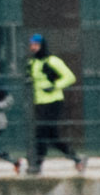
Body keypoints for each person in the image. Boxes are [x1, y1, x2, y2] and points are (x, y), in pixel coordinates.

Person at [19, 33, 74, 170]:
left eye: (37, 45)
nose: (34, 48)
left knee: (40, 132)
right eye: (32, 45)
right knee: (51, 135)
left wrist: (55, 86)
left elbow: (70, 77)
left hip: (53, 101)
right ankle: (75, 157)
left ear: (42, 46)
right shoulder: (31, 62)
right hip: (38, 102)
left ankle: (37, 163)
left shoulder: (52, 61)